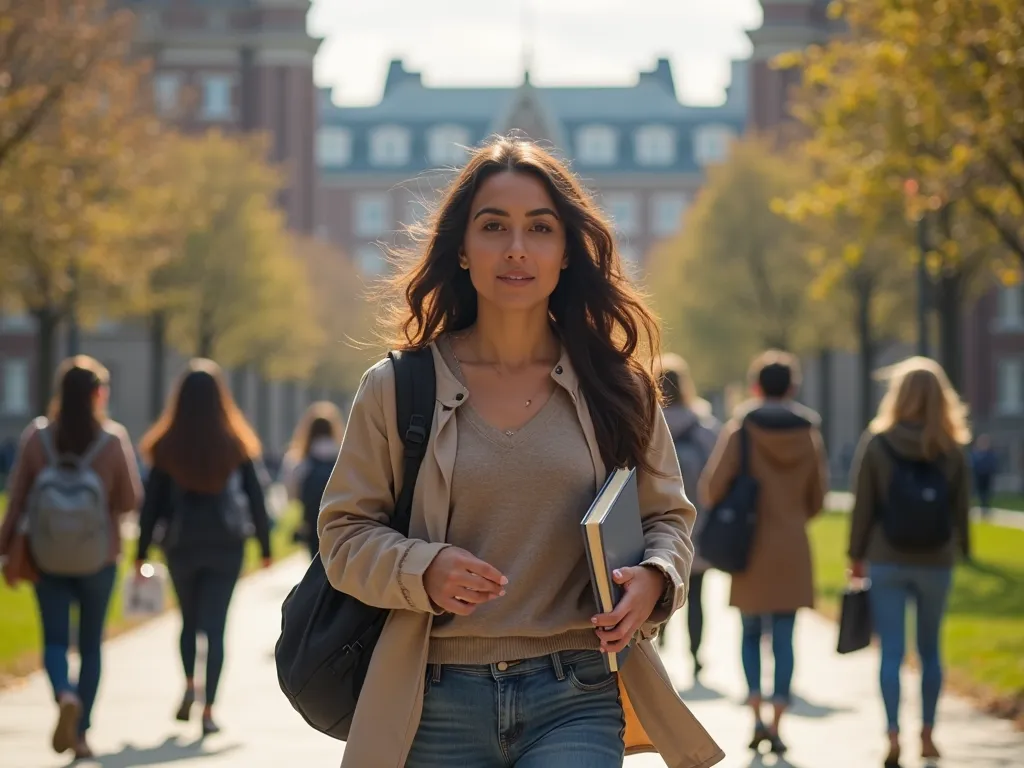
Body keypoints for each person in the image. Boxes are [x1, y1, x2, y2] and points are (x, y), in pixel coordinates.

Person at [317, 135, 723, 768]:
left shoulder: (618, 387)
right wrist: (421, 567)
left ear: (566, 251)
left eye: (539, 228)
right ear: (461, 249)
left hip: (577, 694)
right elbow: (343, 534)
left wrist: (655, 578)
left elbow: (668, 517)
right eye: (493, 226)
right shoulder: (397, 388)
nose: (516, 248)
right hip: (431, 701)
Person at [0, 356, 142, 760]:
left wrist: (4, 544)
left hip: (47, 556)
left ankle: (64, 692)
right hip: (99, 557)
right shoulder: (112, 440)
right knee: (92, 645)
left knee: (56, 640)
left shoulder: (37, 437)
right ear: (98, 395)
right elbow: (130, 499)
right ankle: (80, 734)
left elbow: (18, 496)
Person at [134, 359, 273, 736]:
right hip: (226, 545)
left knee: (188, 623)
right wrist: (264, 546)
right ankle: (210, 709)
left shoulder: (166, 445)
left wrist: (141, 552)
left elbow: (152, 505)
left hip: (182, 545)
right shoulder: (235, 441)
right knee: (216, 629)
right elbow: (256, 498)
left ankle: (189, 686)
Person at [700, 350, 828, 756]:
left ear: (756, 386)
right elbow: (818, 498)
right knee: (787, 635)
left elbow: (711, 488)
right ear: (792, 386)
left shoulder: (741, 431)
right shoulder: (809, 432)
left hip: (749, 545)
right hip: (791, 546)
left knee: (751, 631)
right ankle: (778, 719)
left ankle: (754, 713)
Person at [847, 356, 971, 767]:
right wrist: (964, 550)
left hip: (887, 558)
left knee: (892, 654)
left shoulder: (878, 442)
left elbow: (863, 505)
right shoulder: (951, 446)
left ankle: (893, 734)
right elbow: (961, 507)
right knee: (932, 651)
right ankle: (929, 734)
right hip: (937, 559)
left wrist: (856, 556)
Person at [653, 353, 719, 678]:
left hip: (655, 529)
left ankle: (659, 643)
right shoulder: (705, 429)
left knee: (657, 586)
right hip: (699, 528)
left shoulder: (644, 424)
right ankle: (695, 656)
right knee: (698, 598)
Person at [279, 401, 344, 560]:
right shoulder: (343, 456)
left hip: (313, 522)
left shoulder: (300, 461)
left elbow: (291, 494)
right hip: (340, 523)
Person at [970, 433, 998, 518]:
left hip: (987, 476)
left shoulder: (990, 454)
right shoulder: (976, 453)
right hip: (978, 476)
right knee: (979, 493)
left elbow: (993, 464)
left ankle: (985, 509)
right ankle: (980, 508)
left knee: (986, 494)